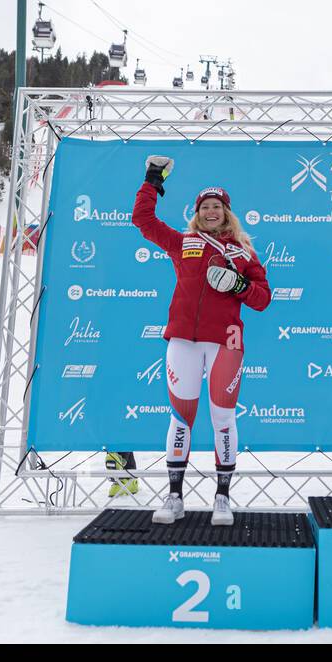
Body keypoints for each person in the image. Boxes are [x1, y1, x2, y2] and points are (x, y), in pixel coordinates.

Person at [131, 155, 272, 526]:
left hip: (225, 341)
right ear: (197, 213)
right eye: (205, 207)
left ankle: (222, 498)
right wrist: (152, 181)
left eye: (218, 207)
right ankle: (174, 496)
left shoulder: (244, 251)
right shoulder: (183, 242)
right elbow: (143, 221)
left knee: (223, 418)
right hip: (183, 340)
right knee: (181, 419)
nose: (212, 212)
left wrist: (241, 284)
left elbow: (263, 298)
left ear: (227, 213)